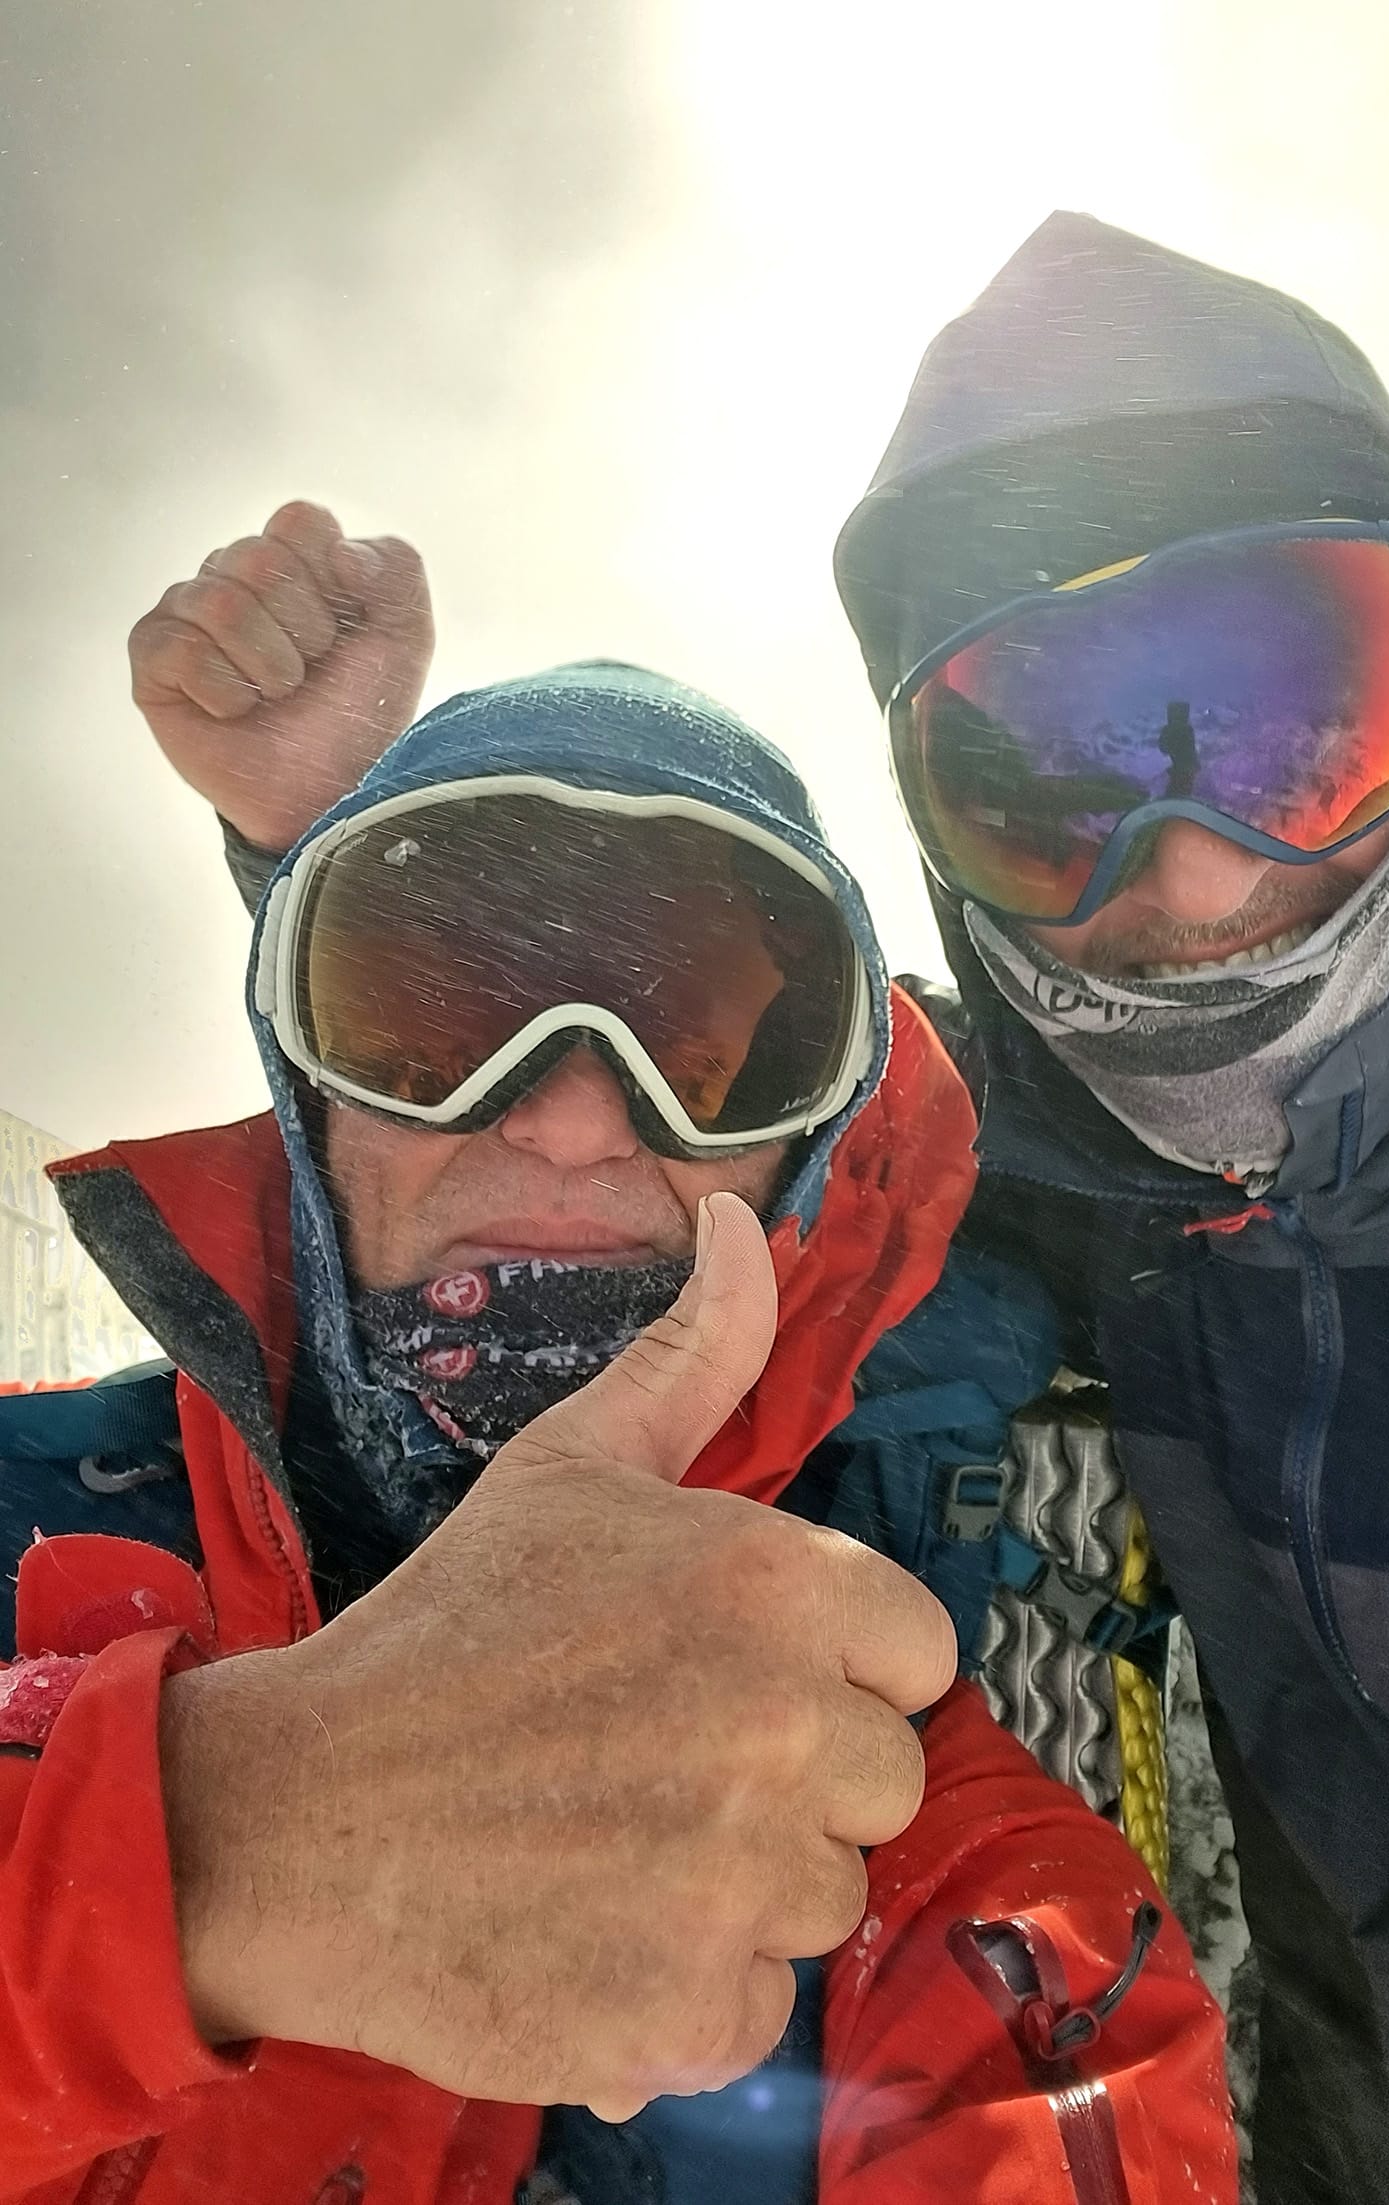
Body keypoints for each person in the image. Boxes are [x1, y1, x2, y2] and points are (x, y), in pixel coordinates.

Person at [0, 519, 1235, 2204]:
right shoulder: (26, 1523)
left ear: (803, 1158)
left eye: (707, 1048)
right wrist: (204, 1853)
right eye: (439, 1025)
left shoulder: (922, 1823)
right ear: (309, 1096)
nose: (577, 1120)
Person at [832, 209, 1389, 2205]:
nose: (1190, 882)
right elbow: (657, 1096)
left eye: (1293, 731)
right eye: (1041, 783)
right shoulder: (1042, 1156)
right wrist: (361, 857)